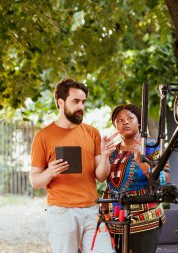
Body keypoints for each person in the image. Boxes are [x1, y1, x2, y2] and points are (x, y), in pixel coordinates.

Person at [29, 78, 117, 253]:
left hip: (92, 210)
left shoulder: (92, 132)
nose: (81, 107)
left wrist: (106, 156)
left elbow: (100, 176)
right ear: (60, 102)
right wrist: (51, 171)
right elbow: (35, 181)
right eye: (75, 101)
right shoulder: (43, 137)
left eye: (83, 102)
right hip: (61, 213)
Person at [102, 104, 169, 253]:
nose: (125, 122)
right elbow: (109, 183)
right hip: (116, 219)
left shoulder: (152, 146)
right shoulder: (112, 152)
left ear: (139, 122)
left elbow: (164, 179)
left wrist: (141, 160)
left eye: (130, 118)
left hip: (146, 218)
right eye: (119, 120)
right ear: (115, 126)